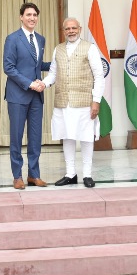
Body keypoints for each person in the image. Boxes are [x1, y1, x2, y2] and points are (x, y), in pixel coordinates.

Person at [41, 17, 104, 188]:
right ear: (63, 31)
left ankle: (88, 175)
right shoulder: (58, 49)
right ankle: (70, 174)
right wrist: (43, 84)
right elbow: (53, 73)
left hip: (84, 102)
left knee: (85, 137)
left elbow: (99, 76)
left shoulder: (89, 48)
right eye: (67, 28)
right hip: (63, 102)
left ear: (80, 29)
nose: (71, 31)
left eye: (73, 28)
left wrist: (96, 101)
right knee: (67, 136)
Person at [3, 2, 51, 190]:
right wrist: (30, 83)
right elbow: (9, 67)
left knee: (35, 137)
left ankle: (34, 175)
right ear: (21, 17)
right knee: (16, 137)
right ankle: (17, 176)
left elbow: (35, 65)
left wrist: (57, 62)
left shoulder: (40, 39)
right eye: (28, 15)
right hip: (18, 95)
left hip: (36, 98)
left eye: (35, 15)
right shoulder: (12, 39)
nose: (32, 18)